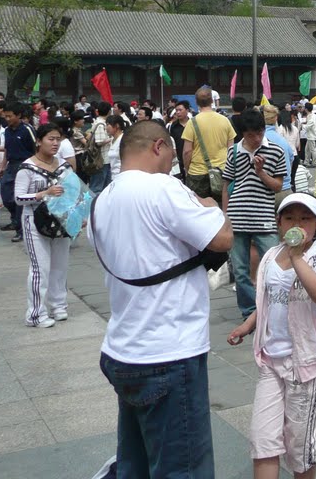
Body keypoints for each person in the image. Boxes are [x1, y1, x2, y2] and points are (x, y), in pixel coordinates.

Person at [93, 120, 233, 479]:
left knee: (135, 464)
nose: (175, 161)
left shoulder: (102, 199)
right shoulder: (162, 187)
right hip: (168, 351)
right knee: (183, 468)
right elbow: (221, 239)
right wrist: (210, 205)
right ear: (158, 146)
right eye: (172, 151)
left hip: (123, 348)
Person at [227, 193, 316, 479]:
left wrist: (297, 256)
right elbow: (268, 298)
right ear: (279, 223)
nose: (296, 223)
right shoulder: (270, 256)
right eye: (289, 218)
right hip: (271, 361)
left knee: (299, 447)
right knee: (262, 441)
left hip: (305, 366)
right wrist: (248, 324)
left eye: (304, 218)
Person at [222, 109, 287, 319]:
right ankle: (250, 311)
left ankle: (274, 308)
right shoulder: (234, 152)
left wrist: (261, 173)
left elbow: (277, 186)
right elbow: (227, 185)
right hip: (237, 215)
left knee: (274, 265)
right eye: (251, 134)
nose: (256, 138)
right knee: (240, 271)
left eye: (259, 132)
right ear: (242, 133)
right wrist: (225, 216)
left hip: (264, 217)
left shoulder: (275, 151)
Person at [15, 124, 73, 327]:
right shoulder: (27, 167)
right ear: (39, 141)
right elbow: (19, 198)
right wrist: (43, 194)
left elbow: (73, 192)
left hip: (61, 221)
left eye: (58, 139)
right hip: (34, 221)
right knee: (41, 268)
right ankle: (35, 314)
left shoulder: (64, 165)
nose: (55, 143)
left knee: (60, 266)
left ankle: (58, 306)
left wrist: (78, 216)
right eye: (51, 139)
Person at [182, 86, 237, 202]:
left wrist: (187, 169)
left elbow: (187, 151)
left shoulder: (192, 122)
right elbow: (231, 149)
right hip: (221, 171)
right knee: (221, 208)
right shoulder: (224, 120)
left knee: (199, 209)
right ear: (212, 101)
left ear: (196, 102)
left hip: (197, 173)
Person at [0, 101, 37, 242]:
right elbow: (7, 149)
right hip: (11, 165)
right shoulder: (7, 131)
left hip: (25, 165)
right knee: (6, 196)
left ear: (18, 115)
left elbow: (36, 148)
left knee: (19, 198)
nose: (7, 119)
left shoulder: (27, 129)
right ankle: (16, 219)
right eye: (5, 116)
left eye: (10, 116)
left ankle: (20, 230)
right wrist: (3, 166)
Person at [87, 101, 114, 195]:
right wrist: (111, 138)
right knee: (97, 187)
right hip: (100, 159)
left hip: (104, 159)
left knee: (105, 185)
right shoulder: (100, 124)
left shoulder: (100, 122)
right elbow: (99, 142)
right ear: (109, 112)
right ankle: (92, 206)